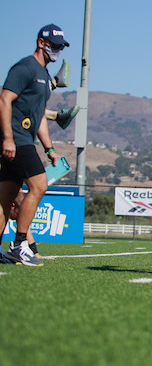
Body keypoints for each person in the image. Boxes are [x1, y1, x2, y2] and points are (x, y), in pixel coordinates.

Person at [0, 24, 68, 266]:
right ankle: (20, 245)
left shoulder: (44, 76)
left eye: (61, 46)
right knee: (39, 184)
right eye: (55, 45)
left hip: (24, 139)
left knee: (6, 197)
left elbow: (39, 117)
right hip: (15, 138)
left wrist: (50, 150)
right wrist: (8, 137)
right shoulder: (25, 67)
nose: (58, 50)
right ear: (41, 43)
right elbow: (4, 99)